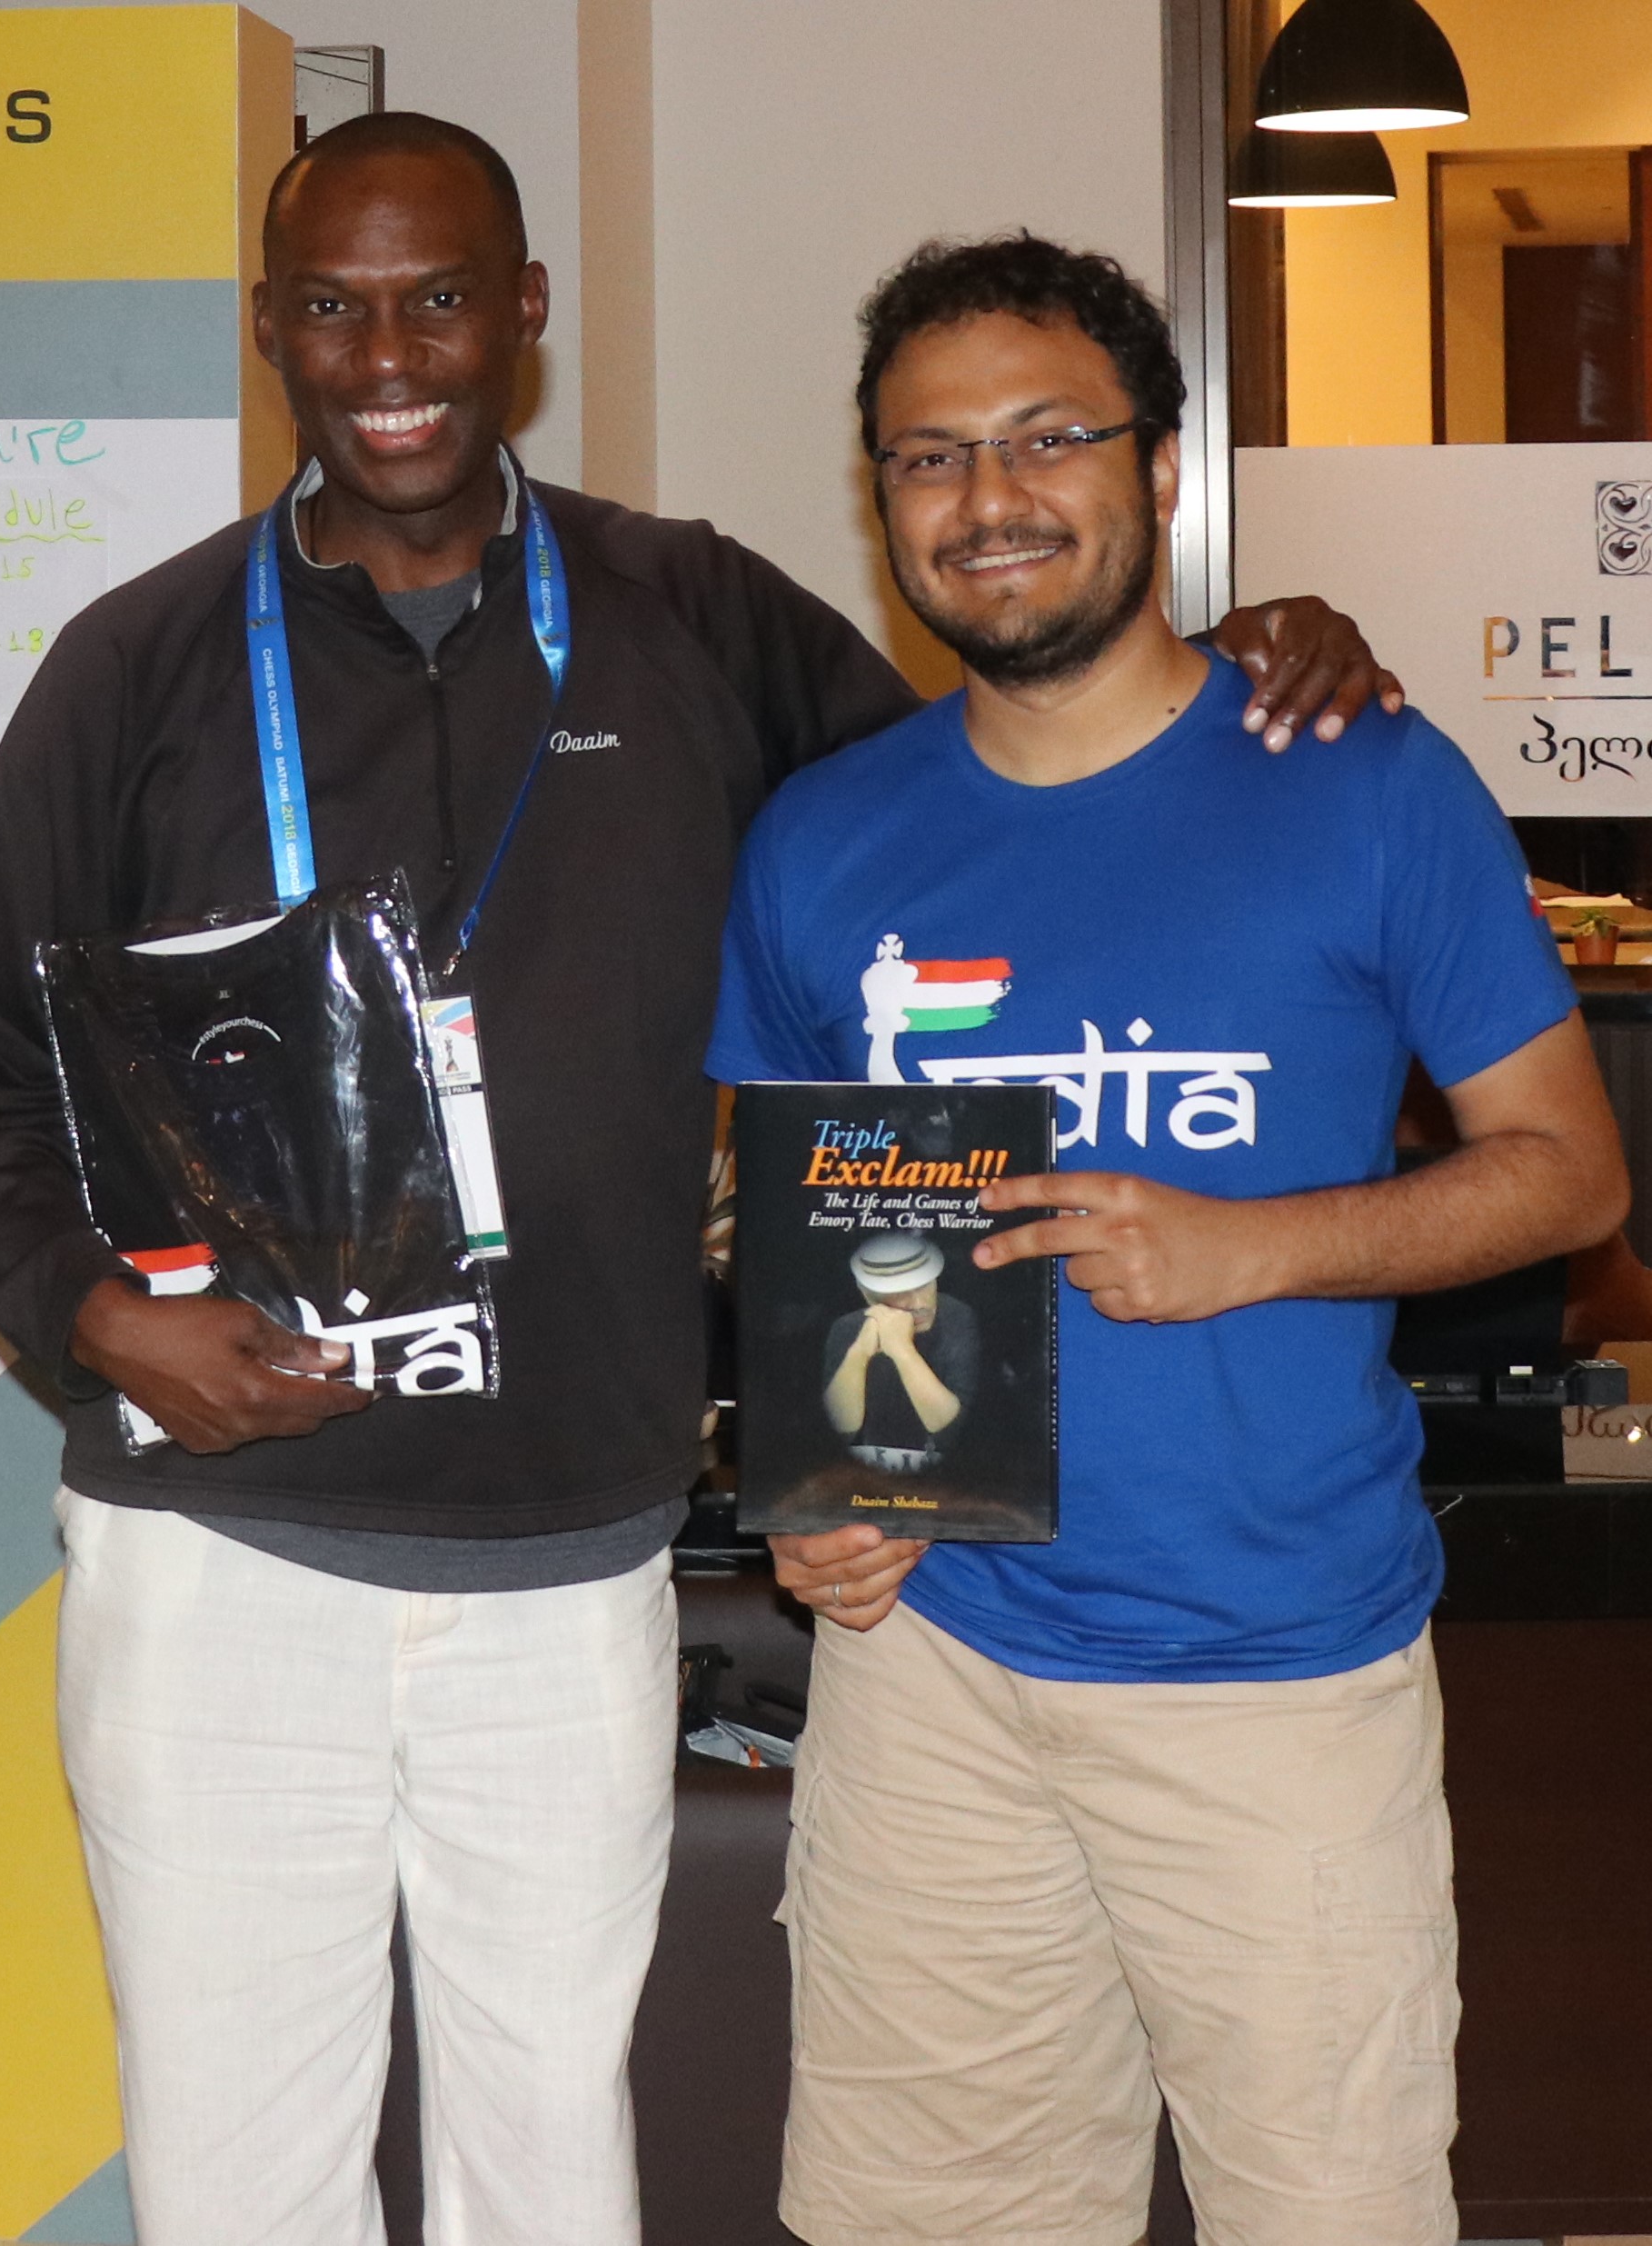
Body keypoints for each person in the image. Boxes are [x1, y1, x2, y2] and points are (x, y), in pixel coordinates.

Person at [0, 114, 1394, 2246]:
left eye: (439, 297)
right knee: (238, 2168)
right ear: (271, 332)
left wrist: (1238, 653)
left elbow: (991, 806)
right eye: (333, 304)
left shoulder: (687, 611)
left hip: (571, 1561)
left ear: (523, 315)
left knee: (551, 2153)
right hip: (214, 1560)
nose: (388, 350)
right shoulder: (137, 667)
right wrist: (91, 1312)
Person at [707, 234, 1629, 2246]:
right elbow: (803, 1225)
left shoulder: (1364, 783)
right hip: (926, 1664)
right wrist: (811, 1501)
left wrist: (1248, 1244)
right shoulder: (819, 838)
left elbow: (1566, 1172)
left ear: (1157, 458)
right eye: (927, 456)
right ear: (881, 504)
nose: (987, 495)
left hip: (1271, 1672)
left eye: (1045, 435)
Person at [823, 1233, 973, 1471]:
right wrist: (859, 1354)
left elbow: (952, 1432)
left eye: (924, 1285)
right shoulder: (847, 1328)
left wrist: (903, 1351)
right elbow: (841, 1430)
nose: (919, 1304)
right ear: (868, 1295)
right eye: (900, 1292)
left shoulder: (959, 1319)